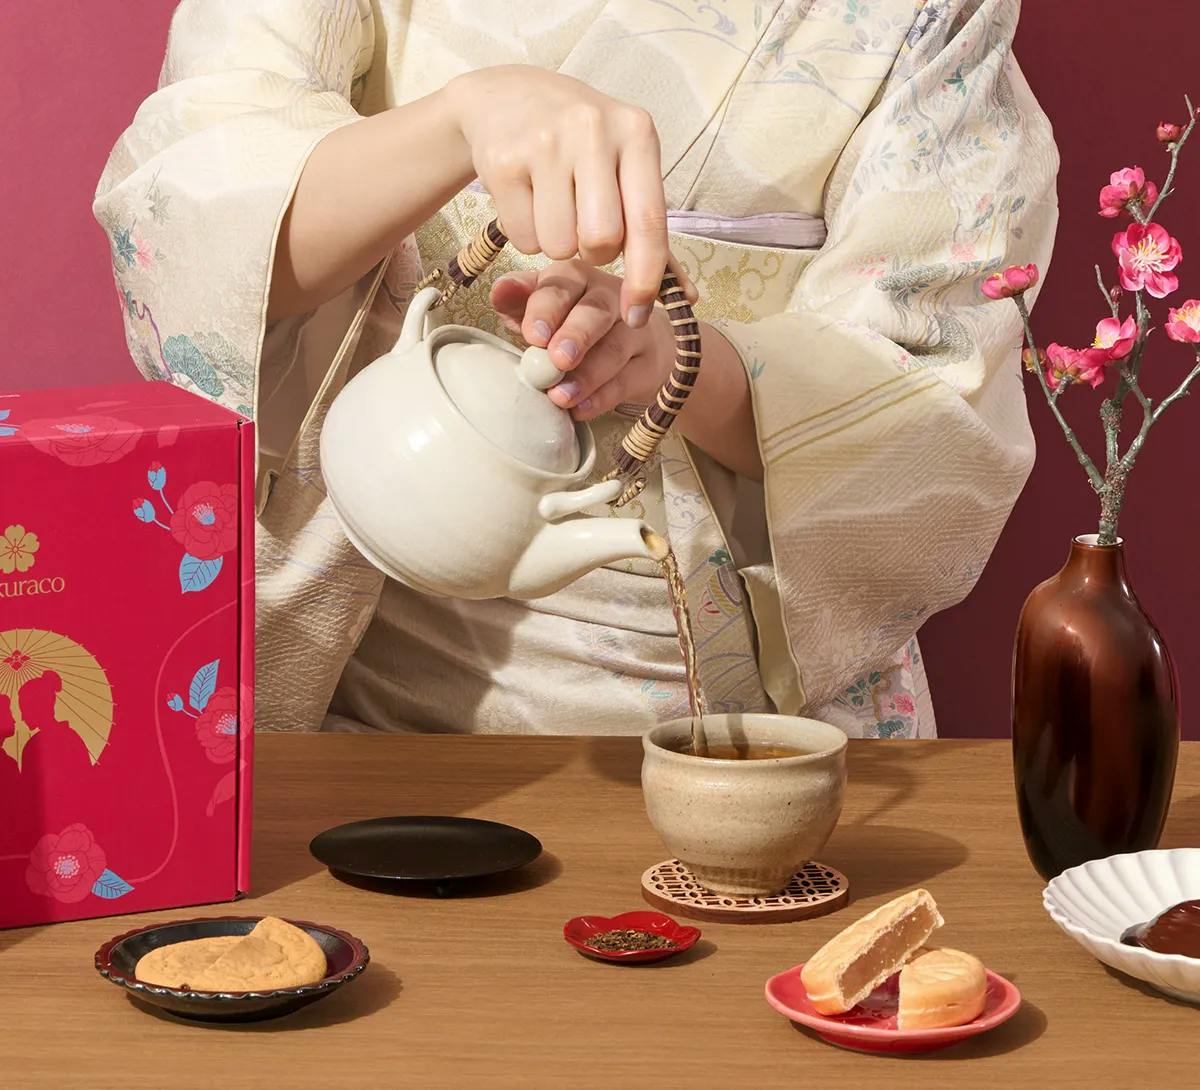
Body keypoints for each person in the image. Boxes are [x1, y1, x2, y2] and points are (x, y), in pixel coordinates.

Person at [94, 0, 1058, 738]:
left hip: (738, 723)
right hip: (355, 684)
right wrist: (459, 121)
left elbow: (938, 387)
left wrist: (682, 361)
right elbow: (191, 220)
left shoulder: (927, 18)